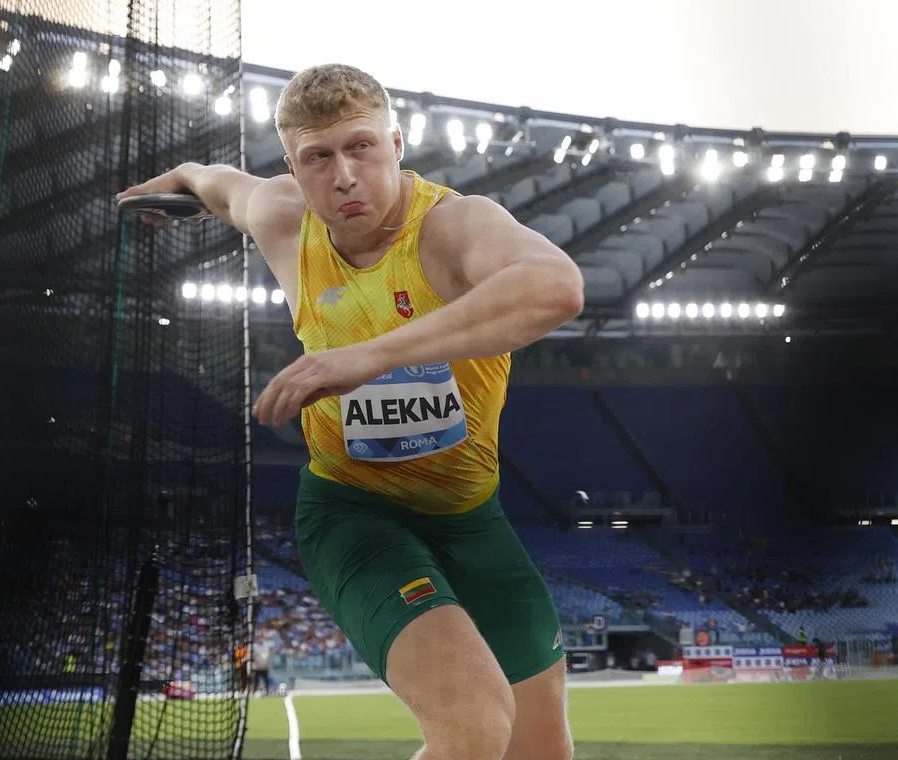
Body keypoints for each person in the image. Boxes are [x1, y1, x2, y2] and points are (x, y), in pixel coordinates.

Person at [117, 63, 583, 760]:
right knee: (477, 723)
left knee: (542, 749)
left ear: (397, 144)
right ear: (294, 170)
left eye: (361, 147)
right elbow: (217, 185)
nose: (343, 175)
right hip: (354, 515)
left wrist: (368, 357)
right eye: (319, 157)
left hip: (471, 520)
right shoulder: (281, 218)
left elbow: (557, 289)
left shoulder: (454, 227)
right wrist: (178, 179)